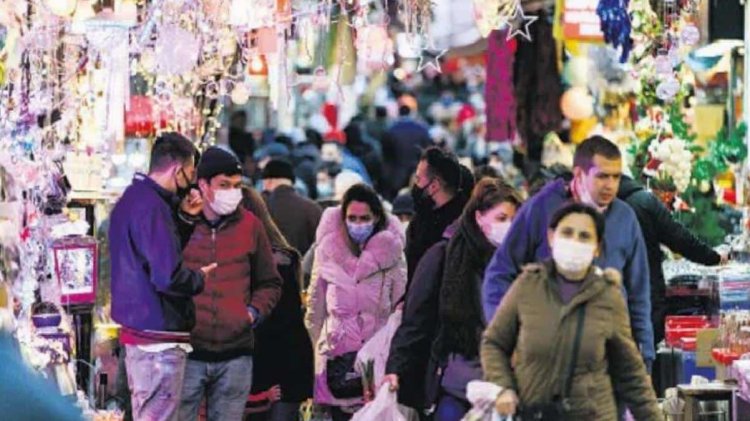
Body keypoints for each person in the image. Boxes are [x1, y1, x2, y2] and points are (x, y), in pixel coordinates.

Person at [482, 136, 655, 368]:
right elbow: (500, 273)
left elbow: (639, 294)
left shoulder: (625, 218)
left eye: (616, 176)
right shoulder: (541, 207)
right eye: (602, 176)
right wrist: (507, 337)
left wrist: (646, 355)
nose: (610, 185)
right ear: (579, 174)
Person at [481, 203, 660, 420]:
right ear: (551, 237)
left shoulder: (608, 296)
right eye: (567, 233)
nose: (574, 241)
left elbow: (631, 374)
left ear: (597, 248)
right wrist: (503, 387)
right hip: (535, 413)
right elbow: (494, 343)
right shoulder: (527, 285)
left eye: (584, 236)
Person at [385, 179, 522, 420]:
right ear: (479, 218)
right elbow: (417, 319)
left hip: (507, 387)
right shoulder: (446, 257)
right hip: (457, 384)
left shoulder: (522, 266)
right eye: (502, 219)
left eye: (515, 220)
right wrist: (397, 367)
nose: (510, 227)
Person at [109, 132, 215, 421]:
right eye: (190, 174)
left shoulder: (134, 199)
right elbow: (167, 275)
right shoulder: (152, 207)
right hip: (157, 336)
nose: (191, 183)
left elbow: (154, 255)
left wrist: (184, 219)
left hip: (142, 333)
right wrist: (198, 279)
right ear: (177, 170)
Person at [179, 147, 283, 421]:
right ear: (203, 184)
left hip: (235, 354)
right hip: (188, 353)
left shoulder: (251, 226)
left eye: (237, 186)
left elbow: (270, 282)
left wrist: (252, 313)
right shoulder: (182, 224)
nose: (232, 192)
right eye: (224, 185)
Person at [305, 184, 407, 421]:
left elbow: (399, 310)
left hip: (377, 361)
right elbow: (315, 310)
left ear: (377, 217)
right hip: (335, 360)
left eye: (364, 218)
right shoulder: (326, 252)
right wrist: (311, 363)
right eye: (352, 218)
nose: (358, 224)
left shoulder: (392, 255)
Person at [618, 175, 728, 348]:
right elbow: (679, 238)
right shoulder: (643, 201)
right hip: (646, 296)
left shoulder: (599, 207)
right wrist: (713, 257)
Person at [242, 187, 314, 421]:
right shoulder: (284, 258)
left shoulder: (269, 264)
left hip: (272, 374)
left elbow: (276, 326)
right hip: (286, 371)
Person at [406, 147, 474, 290]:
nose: (415, 186)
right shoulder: (419, 220)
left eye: (418, 179)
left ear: (434, 186)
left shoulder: (464, 227)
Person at [261, 159, 323, 256]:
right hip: (302, 268)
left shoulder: (257, 207)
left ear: (267, 182)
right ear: (292, 182)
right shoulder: (312, 208)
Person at [381, 103, 434, 200]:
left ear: (399, 113)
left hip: (396, 175)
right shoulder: (422, 129)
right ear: (411, 113)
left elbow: (387, 157)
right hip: (418, 174)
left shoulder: (391, 130)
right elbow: (429, 150)